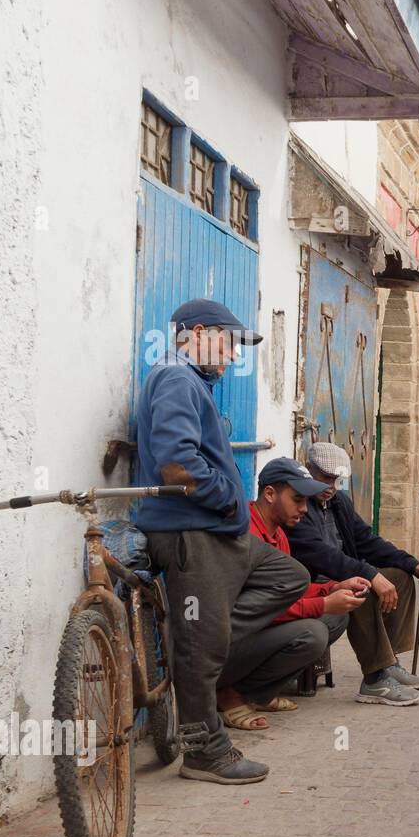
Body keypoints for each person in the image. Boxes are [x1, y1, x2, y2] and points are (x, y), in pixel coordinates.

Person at [135, 298, 309, 784]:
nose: (234, 355)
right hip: (194, 534)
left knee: (288, 575)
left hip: (216, 534)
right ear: (197, 333)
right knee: (201, 648)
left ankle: (203, 634)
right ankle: (204, 752)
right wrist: (226, 502)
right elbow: (176, 465)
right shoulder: (175, 378)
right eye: (229, 342)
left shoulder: (192, 383)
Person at [217, 457, 372, 730]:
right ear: (269, 494)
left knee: (336, 619)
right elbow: (255, 608)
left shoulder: (278, 533)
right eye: (297, 500)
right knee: (313, 633)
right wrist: (323, 603)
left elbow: (287, 593)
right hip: (226, 641)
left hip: (257, 630)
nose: (303, 509)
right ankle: (227, 694)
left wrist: (333, 587)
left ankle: (259, 693)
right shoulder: (246, 535)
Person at [285, 442, 419, 705]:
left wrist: (411, 563)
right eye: (325, 478)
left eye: (335, 480)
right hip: (314, 586)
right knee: (361, 587)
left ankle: (389, 662)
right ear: (309, 470)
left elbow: (366, 541)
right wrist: (370, 575)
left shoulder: (339, 502)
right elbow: (322, 555)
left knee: (399, 577)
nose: (331, 486)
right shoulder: (299, 505)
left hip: (344, 574)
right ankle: (375, 679)